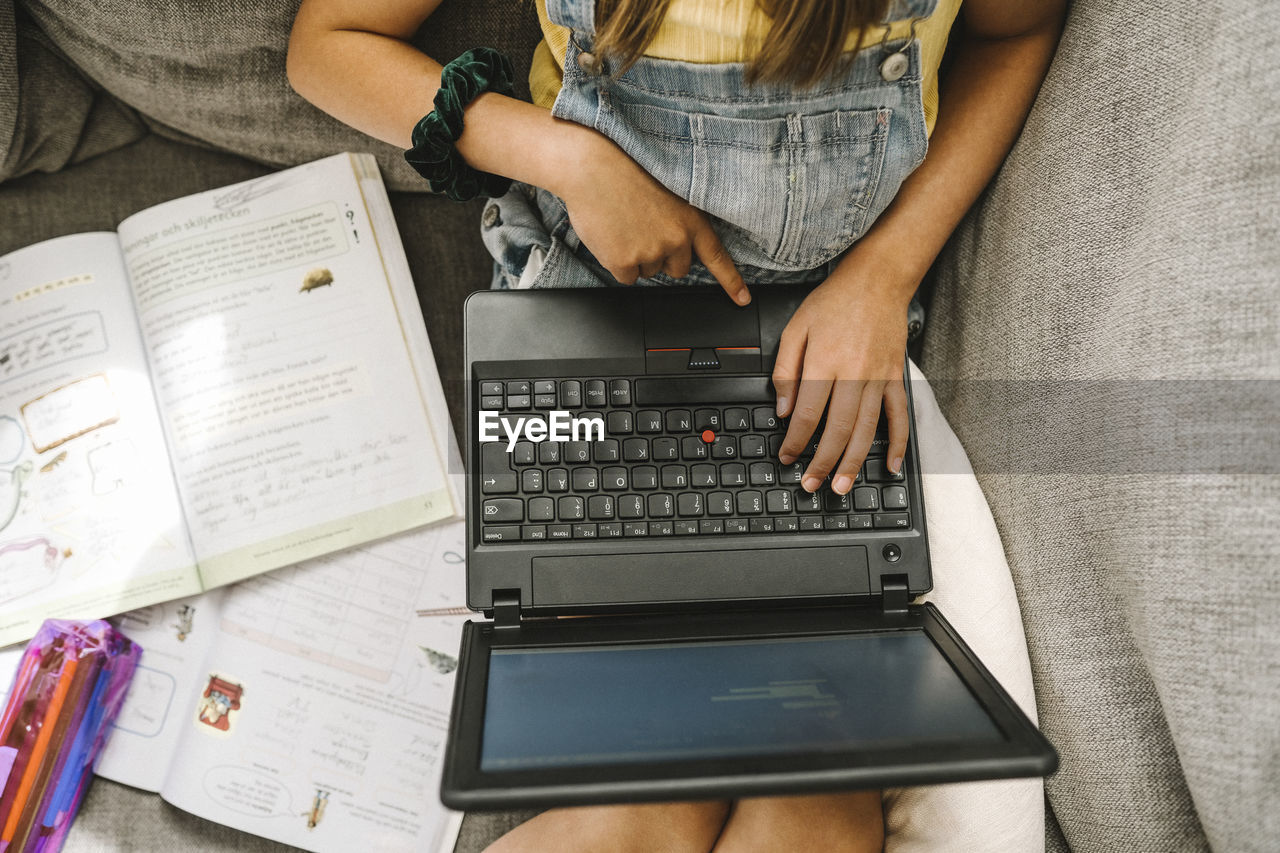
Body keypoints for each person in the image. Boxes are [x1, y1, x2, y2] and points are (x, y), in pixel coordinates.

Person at [288, 1, 1065, 850]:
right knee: (650, 803)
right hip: (588, 324)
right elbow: (326, 48)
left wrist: (883, 274)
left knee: (817, 812)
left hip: (818, 349)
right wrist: (569, 161)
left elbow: (1015, 29)